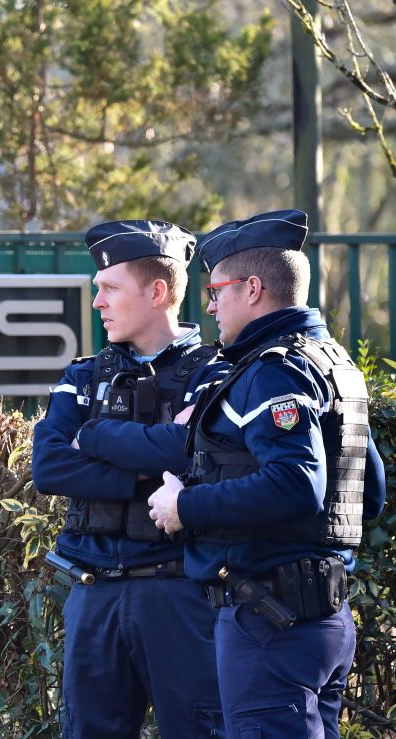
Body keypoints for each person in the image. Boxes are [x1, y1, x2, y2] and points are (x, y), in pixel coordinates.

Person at [147, 209, 387, 737]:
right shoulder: (334, 361)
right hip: (323, 620)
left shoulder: (272, 369)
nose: (209, 307)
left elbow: (297, 484)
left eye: (216, 292)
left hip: (270, 623)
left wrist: (183, 507)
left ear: (252, 288)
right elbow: (369, 495)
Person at [32, 219, 228, 738]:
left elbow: (191, 454)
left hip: (179, 593)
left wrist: (93, 438)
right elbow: (50, 467)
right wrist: (152, 479)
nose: (98, 301)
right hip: (92, 592)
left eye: (110, 288)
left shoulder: (215, 373)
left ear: (158, 291)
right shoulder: (83, 375)